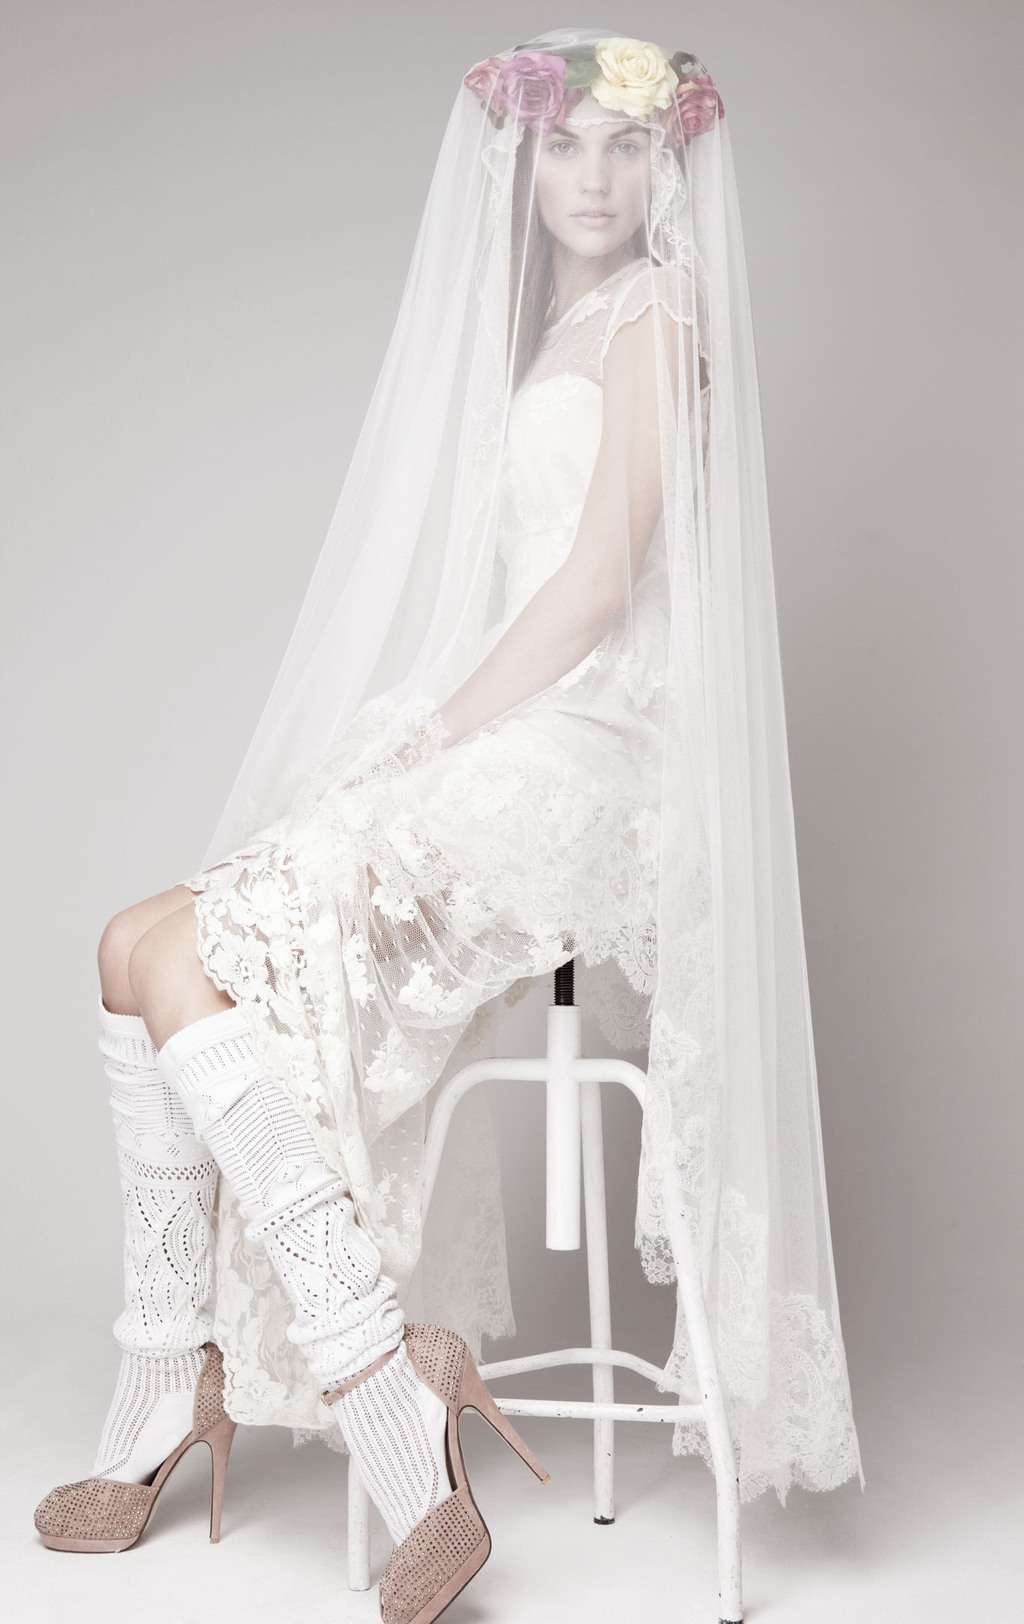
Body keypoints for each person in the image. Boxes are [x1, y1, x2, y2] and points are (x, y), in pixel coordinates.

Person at [34, 24, 864, 1622]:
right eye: (566, 145)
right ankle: (177, 1371)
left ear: (669, 163)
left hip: (589, 757)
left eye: (628, 146)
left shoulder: (660, 311)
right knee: (128, 945)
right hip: (519, 730)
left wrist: (430, 734)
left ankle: (372, 1385)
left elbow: (601, 587)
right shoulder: (552, 330)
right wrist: (426, 729)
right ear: (524, 166)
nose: (596, 178)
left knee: (181, 959)